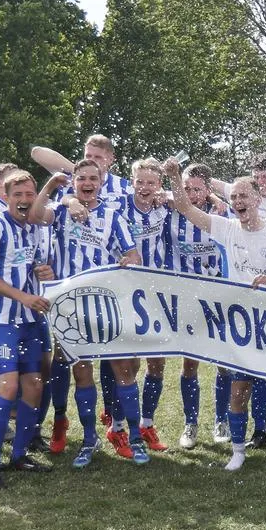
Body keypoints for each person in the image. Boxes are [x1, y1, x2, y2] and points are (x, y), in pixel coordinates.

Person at [169, 164, 266, 471]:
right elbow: (186, 208)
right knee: (239, 389)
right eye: (234, 197)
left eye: (244, 196)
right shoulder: (227, 228)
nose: (238, 201)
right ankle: (238, 451)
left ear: (257, 199)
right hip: (240, 322)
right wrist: (175, 177)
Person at [29, 159, 145, 468]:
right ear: (74, 182)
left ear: (101, 183)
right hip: (69, 306)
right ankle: (89, 438)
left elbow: (133, 254)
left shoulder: (113, 216)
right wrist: (53, 187)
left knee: (122, 368)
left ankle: (134, 436)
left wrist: (130, 261)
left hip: (105, 304)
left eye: (93, 178)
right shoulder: (61, 211)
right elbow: (35, 215)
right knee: (81, 372)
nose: (88, 183)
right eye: (82, 178)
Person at [210, 153, 266, 448]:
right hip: (245, 301)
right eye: (258, 176)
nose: (263, 181)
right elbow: (216, 186)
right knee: (248, 375)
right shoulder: (242, 198)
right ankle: (255, 432)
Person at [0, 170, 53, 489]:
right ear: (6, 196)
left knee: (34, 384)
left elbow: (30, 266)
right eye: (17, 194)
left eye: (29, 194)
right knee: (7, 386)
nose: (24, 200)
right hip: (0, 320)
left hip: (30, 320)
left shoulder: (35, 228)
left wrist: (45, 272)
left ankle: (19, 455)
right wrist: (23, 296)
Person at [166, 163, 233, 449]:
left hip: (219, 296)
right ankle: (190, 423)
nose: (191, 194)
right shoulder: (169, 210)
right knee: (189, 362)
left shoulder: (221, 214)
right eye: (186, 188)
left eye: (197, 189)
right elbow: (158, 194)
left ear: (208, 189)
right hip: (186, 296)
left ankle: (221, 419)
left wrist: (217, 199)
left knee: (224, 362)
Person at [120, 158, 175, 452]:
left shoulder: (163, 207)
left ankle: (147, 423)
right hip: (126, 293)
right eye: (139, 182)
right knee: (128, 364)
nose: (144, 187)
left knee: (157, 362)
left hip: (156, 293)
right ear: (132, 182)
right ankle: (120, 426)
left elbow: (190, 200)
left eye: (150, 183)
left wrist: (216, 200)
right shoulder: (118, 206)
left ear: (159, 185)